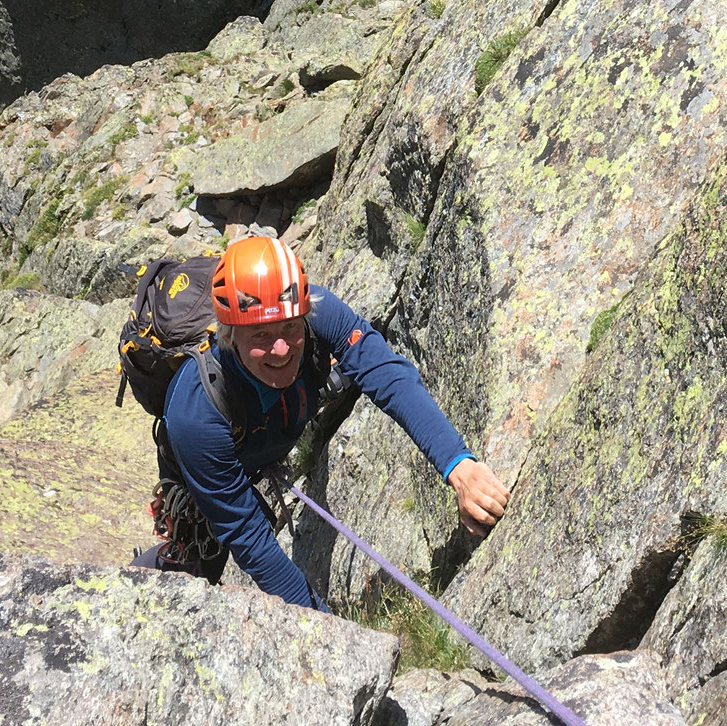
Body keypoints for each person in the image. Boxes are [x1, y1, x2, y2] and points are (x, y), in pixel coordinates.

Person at [135, 231, 509, 610]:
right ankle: (140, 585)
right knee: (195, 564)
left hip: (268, 426)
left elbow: (385, 370)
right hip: (210, 457)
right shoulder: (196, 413)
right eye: (260, 334)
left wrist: (459, 466)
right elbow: (247, 535)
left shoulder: (314, 309)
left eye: (289, 328)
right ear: (229, 334)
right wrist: (322, 625)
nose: (280, 348)